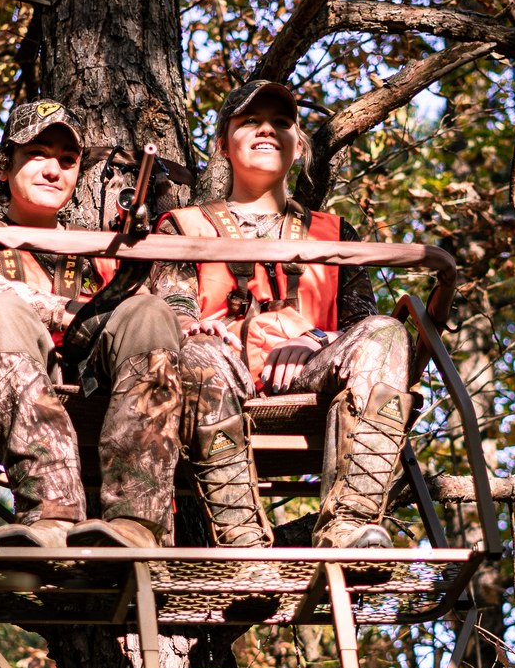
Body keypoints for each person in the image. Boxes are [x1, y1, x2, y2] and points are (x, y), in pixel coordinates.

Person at [152, 80, 413, 549]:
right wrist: (195, 328)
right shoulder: (183, 225)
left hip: (309, 373)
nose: (266, 130)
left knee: (388, 333)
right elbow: (170, 308)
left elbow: (361, 328)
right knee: (196, 353)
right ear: (222, 145)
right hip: (218, 371)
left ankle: (350, 526)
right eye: (250, 121)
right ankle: (243, 543)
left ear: (298, 147)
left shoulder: (335, 233)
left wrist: (314, 339)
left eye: (281, 122)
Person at [0, 100, 183, 550]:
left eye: (67, 161)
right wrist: (62, 312)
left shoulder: (98, 249)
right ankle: (50, 516)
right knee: (0, 309)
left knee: (152, 312)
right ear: (3, 166)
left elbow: (149, 319)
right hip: (1, 402)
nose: (53, 170)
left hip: (101, 397)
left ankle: (138, 523)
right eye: (37, 154)